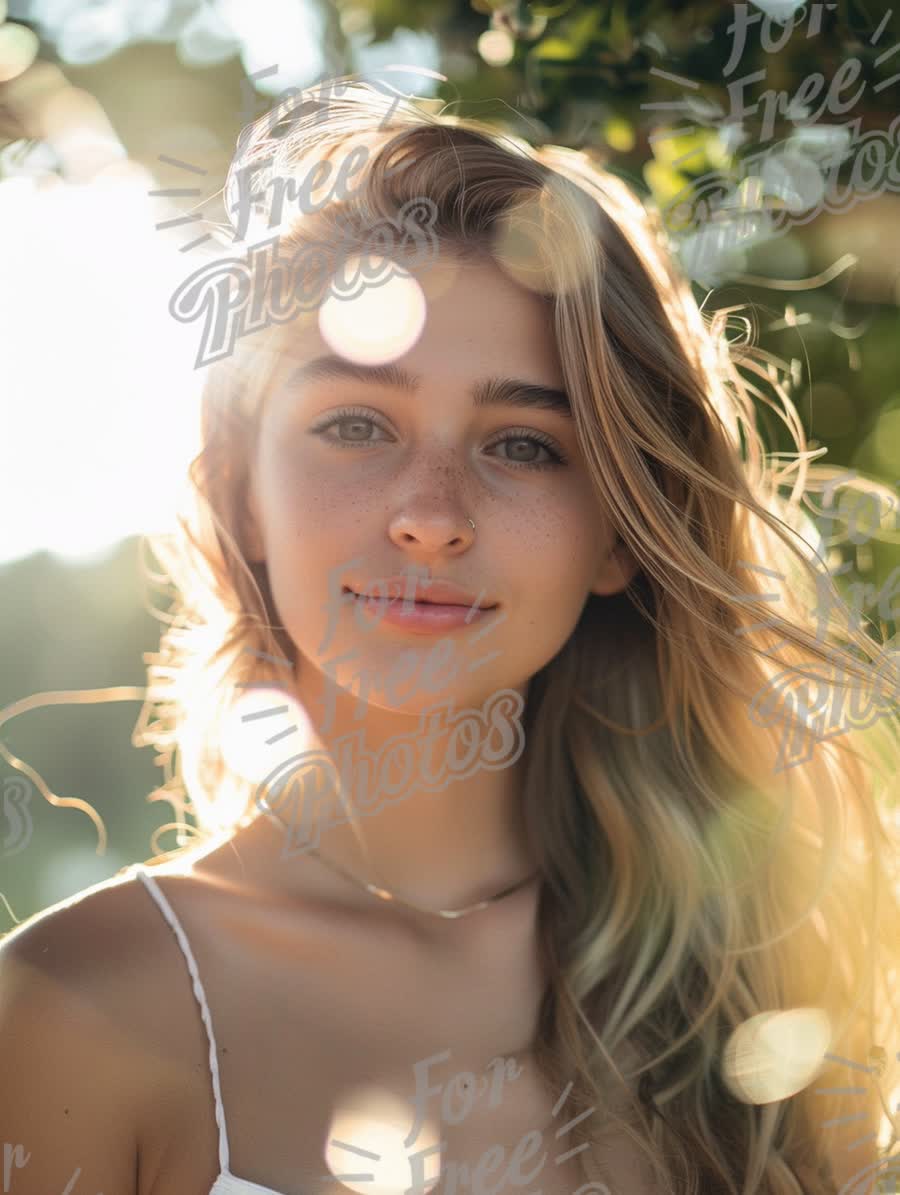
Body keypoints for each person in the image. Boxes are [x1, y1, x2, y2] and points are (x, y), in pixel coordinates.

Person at [1, 77, 898, 1195]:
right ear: (242, 499)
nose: (430, 512)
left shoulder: (761, 971)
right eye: (355, 424)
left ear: (618, 535)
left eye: (522, 444)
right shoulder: (79, 1004)